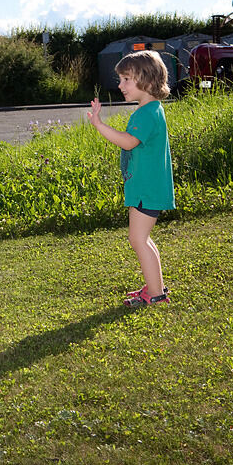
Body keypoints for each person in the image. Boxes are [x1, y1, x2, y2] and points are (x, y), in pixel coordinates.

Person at [87, 50, 174, 308]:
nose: (120, 85)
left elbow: (128, 142)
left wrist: (100, 125)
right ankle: (155, 286)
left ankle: (156, 294)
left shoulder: (147, 113)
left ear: (146, 81)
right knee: (142, 238)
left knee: (137, 239)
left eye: (126, 79)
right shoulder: (149, 110)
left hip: (147, 188)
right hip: (145, 187)